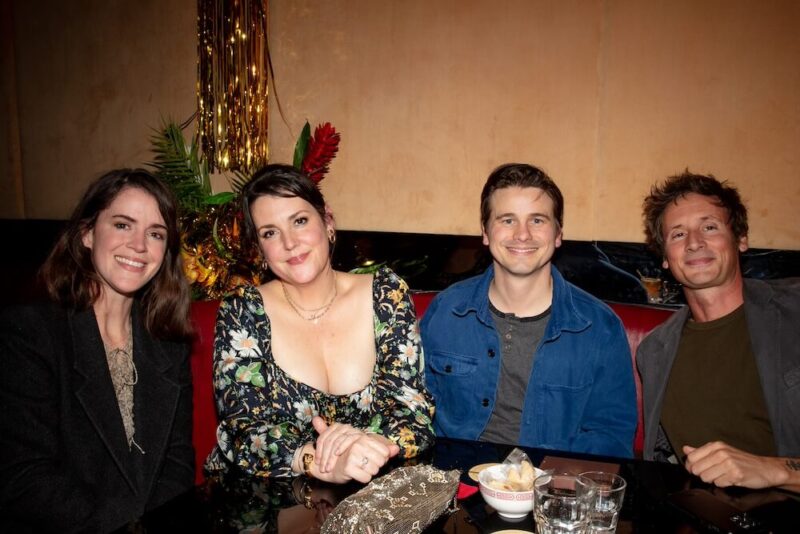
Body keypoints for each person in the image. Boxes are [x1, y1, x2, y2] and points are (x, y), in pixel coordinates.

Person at [205, 164, 434, 484]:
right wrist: (318, 461)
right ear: (260, 249)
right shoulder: (243, 311)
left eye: (299, 221)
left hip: (369, 498)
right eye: (270, 232)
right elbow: (242, 431)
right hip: (262, 499)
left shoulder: (385, 295)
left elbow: (413, 414)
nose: (289, 242)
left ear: (327, 222)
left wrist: (363, 448)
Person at [0, 169, 195, 532]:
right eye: (123, 225)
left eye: (155, 234)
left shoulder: (169, 345)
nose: (139, 245)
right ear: (88, 233)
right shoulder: (30, 334)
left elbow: (177, 465)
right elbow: (24, 476)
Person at [421, 163, 637, 457]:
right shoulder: (445, 311)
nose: (522, 234)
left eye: (537, 220)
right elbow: (415, 413)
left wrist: (539, 481)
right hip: (455, 486)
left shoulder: (600, 327)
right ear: (485, 233)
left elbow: (612, 437)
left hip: (552, 491)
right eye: (507, 220)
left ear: (558, 235)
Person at [638, 171, 800, 491]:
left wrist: (778, 471)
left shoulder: (794, 311)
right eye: (678, 234)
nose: (695, 242)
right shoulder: (654, 351)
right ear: (665, 258)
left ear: (740, 239)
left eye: (709, 227)